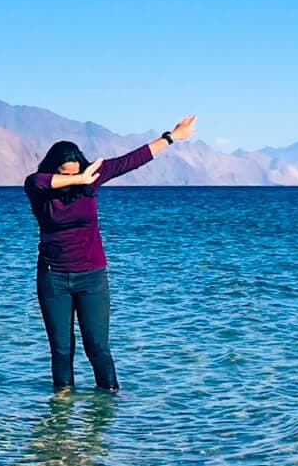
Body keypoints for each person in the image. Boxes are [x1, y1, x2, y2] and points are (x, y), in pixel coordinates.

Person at [24, 116, 197, 392]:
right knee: (61, 349)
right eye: (66, 174)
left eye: (76, 172)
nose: (72, 179)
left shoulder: (92, 180)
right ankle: (61, 412)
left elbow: (132, 159)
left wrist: (171, 137)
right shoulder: (39, 188)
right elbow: (36, 180)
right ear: (55, 170)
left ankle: (109, 403)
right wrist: (79, 178)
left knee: (97, 346)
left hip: (92, 278)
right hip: (52, 278)